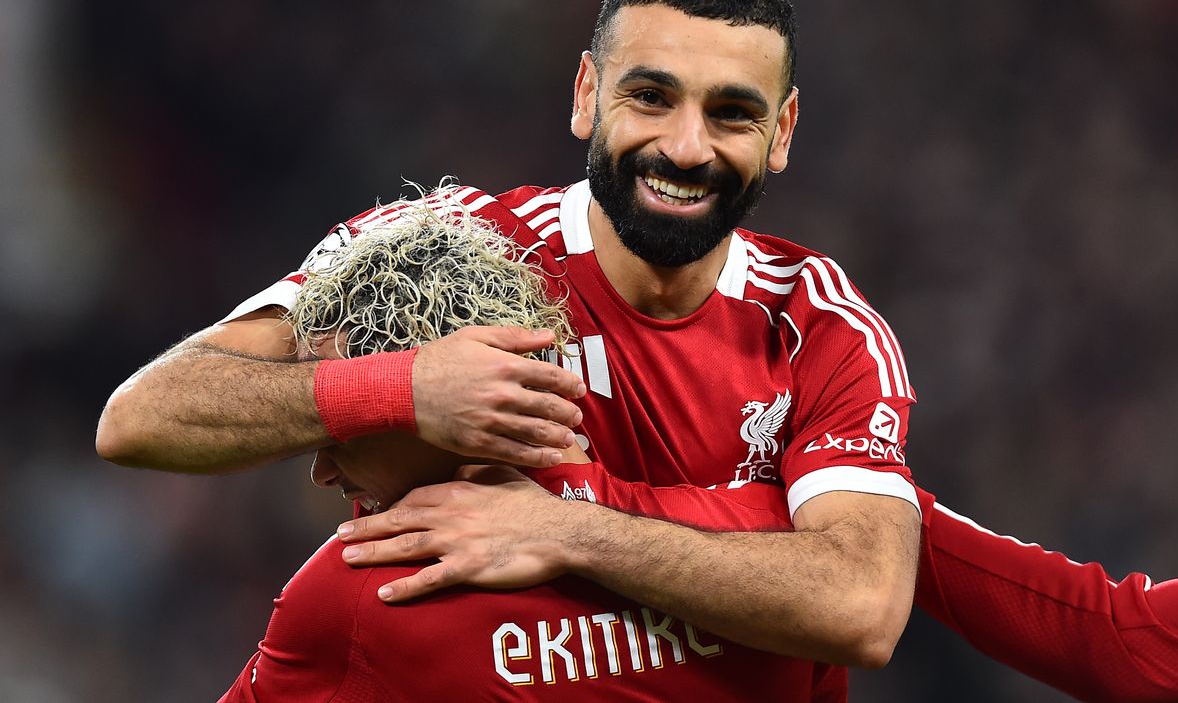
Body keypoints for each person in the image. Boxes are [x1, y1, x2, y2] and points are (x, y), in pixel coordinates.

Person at [98, 0, 922, 682]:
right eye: (649, 97)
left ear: (782, 132)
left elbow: (863, 608)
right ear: (587, 94)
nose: (685, 147)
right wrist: (407, 387)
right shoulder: (451, 246)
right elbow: (142, 419)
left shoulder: (820, 325)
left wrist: (566, 529)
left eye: (732, 114)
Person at [220, 201, 847, 700]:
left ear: (446, 415)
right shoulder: (775, 556)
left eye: (346, 429)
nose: (322, 469)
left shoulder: (360, 589)